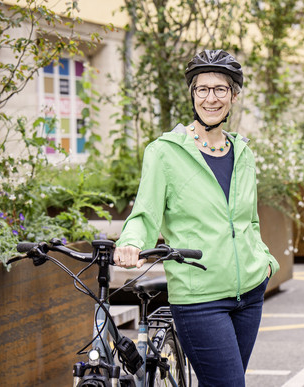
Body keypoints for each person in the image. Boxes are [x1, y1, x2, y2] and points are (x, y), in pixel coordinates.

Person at [114, 49, 279, 386]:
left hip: (249, 294)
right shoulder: (165, 152)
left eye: (220, 89)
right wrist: (131, 242)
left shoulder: (243, 153)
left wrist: (265, 261)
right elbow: (144, 213)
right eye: (202, 89)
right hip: (200, 298)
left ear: (234, 95)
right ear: (192, 94)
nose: (211, 98)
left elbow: (250, 221)